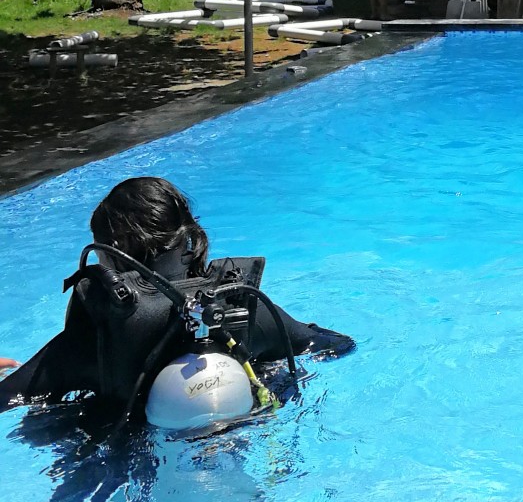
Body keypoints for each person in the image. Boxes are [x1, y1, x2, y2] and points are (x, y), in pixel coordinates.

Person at [1, 177, 353, 415]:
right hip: (238, 430)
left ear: (111, 258)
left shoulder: (98, 336)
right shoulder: (241, 307)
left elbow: (11, 396)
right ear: (188, 238)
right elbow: (337, 345)